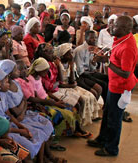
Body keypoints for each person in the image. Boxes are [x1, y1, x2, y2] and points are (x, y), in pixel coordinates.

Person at [87, 16, 138, 156]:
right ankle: (102, 139)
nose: (110, 27)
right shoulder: (120, 38)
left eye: (115, 26)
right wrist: (104, 55)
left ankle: (111, 148)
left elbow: (126, 73)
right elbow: (115, 57)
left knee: (114, 118)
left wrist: (107, 62)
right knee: (108, 113)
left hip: (121, 88)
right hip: (114, 84)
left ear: (124, 29)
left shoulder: (128, 47)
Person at [55, 43, 101, 126]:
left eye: (72, 52)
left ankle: (85, 119)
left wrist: (72, 68)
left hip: (70, 86)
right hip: (62, 87)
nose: (72, 55)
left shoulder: (71, 63)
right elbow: (60, 83)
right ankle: (77, 123)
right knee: (82, 99)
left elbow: (72, 80)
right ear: (63, 54)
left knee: (90, 95)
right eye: (69, 53)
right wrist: (71, 85)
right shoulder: (58, 64)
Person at [74, 30, 108, 106]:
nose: (95, 39)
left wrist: (94, 61)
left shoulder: (92, 49)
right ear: (86, 38)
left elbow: (92, 67)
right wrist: (91, 71)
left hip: (89, 72)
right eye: (92, 38)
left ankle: (107, 104)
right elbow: (80, 70)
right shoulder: (80, 50)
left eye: (96, 37)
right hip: (82, 75)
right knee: (103, 84)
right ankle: (96, 106)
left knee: (107, 78)